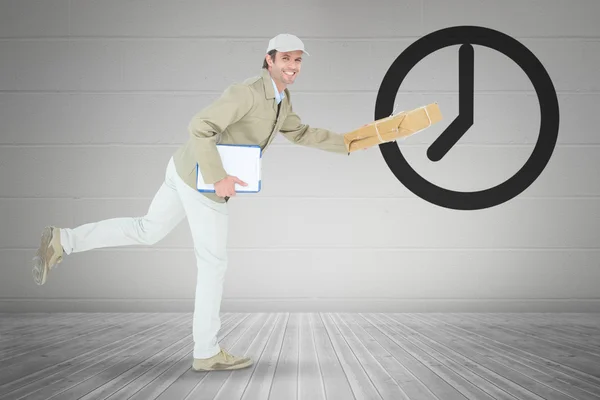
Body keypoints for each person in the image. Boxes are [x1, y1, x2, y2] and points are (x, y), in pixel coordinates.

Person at [32, 33, 350, 372]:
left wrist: (349, 142)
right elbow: (200, 126)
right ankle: (206, 351)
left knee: (146, 229)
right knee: (213, 265)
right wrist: (218, 177)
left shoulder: (281, 100)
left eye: (298, 59)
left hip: (181, 169)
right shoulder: (247, 92)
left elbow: (300, 132)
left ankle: (63, 239)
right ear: (269, 60)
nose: (293, 66)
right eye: (286, 58)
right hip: (202, 184)